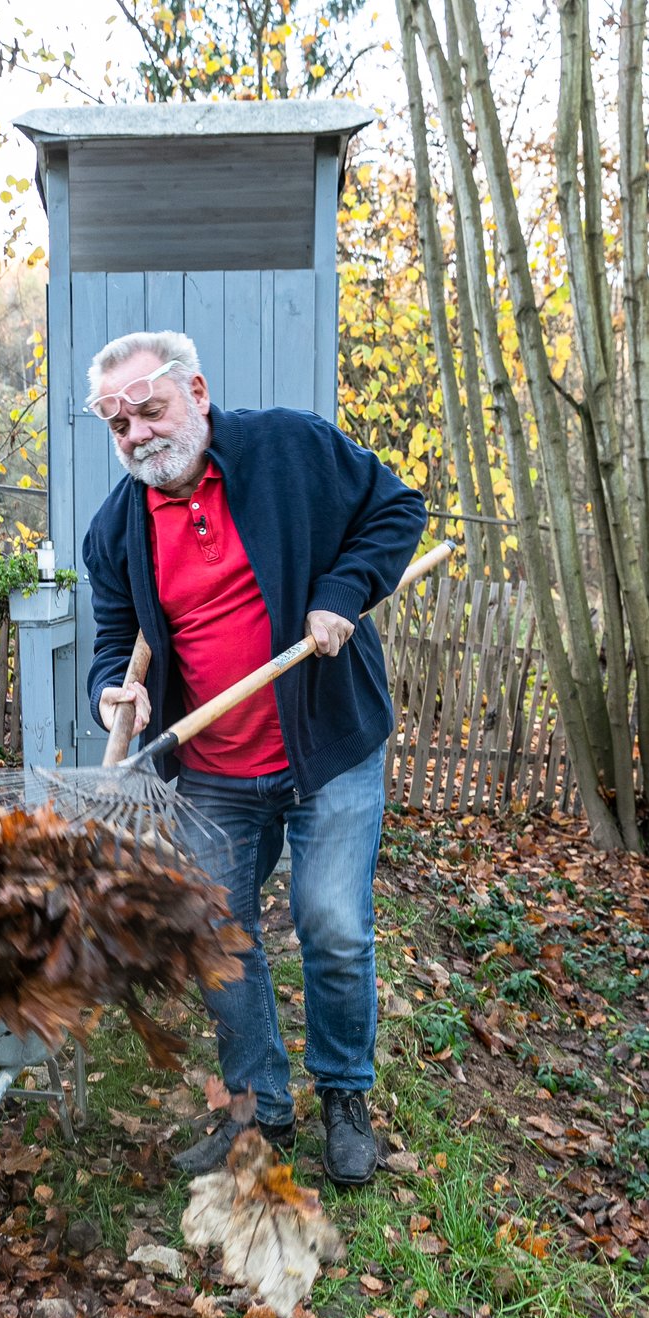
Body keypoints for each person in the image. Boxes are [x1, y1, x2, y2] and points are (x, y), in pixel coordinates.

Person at [82, 330, 427, 1184]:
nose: (137, 436)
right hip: (214, 772)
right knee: (217, 937)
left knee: (333, 925)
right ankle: (258, 1110)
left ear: (196, 392)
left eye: (150, 410)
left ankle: (345, 1095)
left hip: (327, 749)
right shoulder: (116, 529)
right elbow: (113, 638)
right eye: (117, 424)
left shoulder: (290, 449)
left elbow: (398, 509)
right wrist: (109, 691)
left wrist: (342, 593)